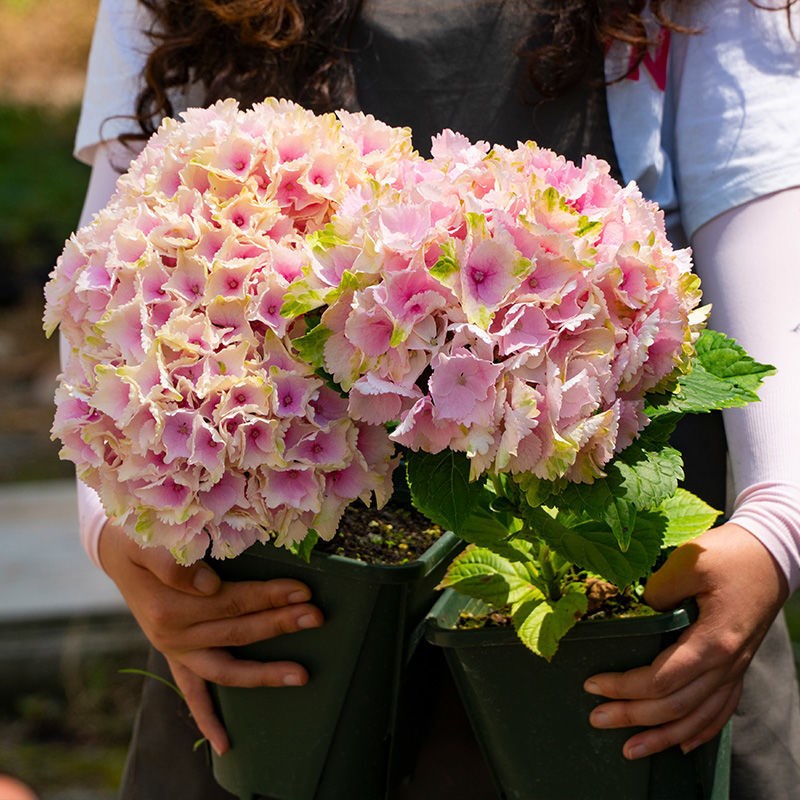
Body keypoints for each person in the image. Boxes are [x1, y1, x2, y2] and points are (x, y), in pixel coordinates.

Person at [68, 0, 800, 797]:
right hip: (275, 631)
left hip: (612, 621)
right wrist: (116, 533)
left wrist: (773, 529)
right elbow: (117, 271)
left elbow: (760, 205)